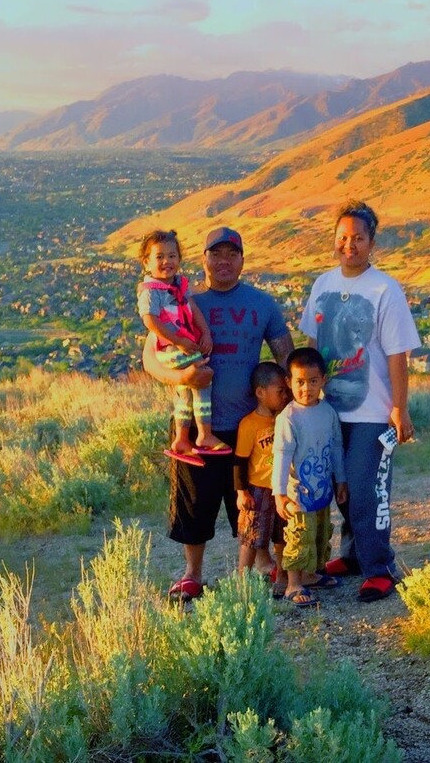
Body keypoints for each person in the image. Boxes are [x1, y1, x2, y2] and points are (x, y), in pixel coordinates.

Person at [142, 226, 294, 600]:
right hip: (196, 428)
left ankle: (261, 562)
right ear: (204, 259)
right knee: (194, 503)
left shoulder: (262, 305)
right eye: (216, 254)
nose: (224, 261)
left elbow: (286, 358)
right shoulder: (179, 300)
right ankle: (193, 573)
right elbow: (149, 360)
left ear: (242, 260)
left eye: (232, 254)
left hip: (251, 426)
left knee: (254, 502)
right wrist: (183, 375)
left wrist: (297, 407)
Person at [299, 201, 421, 602]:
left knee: (368, 488)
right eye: (343, 238)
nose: (349, 245)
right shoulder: (322, 285)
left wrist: (399, 408)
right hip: (329, 408)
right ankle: (352, 556)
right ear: (334, 241)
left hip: (373, 409)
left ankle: (378, 566)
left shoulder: (385, 288)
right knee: (343, 485)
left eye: (358, 238)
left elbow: (397, 353)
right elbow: (313, 348)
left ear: (372, 243)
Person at [137, 229, 228, 462]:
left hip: (179, 344)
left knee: (185, 392)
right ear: (146, 263)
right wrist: (179, 341)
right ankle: (205, 435)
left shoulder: (178, 285)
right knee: (202, 377)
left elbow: (192, 309)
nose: (167, 261)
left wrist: (205, 332)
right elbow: (150, 320)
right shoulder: (151, 291)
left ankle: (181, 439)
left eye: (172, 256)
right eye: (160, 257)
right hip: (171, 347)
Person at [272, 347, 348, 608]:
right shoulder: (289, 418)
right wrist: (279, 494)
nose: (306, 388)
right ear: (289, 382)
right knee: (299, 536)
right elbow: (281, 456)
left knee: (320, 533)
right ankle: (293, 583)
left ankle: (312, 574)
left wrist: (341, 481)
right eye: (300, 382)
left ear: (323, 380)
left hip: (323, 490)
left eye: (313, 381)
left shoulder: (328, 412)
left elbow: (336, 448)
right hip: (298, 494)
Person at [234, 362, 289, 588]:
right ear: (260, 392)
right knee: (251, 536)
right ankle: (242, 581)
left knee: (282, 535)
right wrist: (241, 492)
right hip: (258, 489)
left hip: (282, 488)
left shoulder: (285, 419)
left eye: (286, 390)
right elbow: (239, 460)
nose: (285, 395)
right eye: (280, 391)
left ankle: (283, 577)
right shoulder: (249, 424)